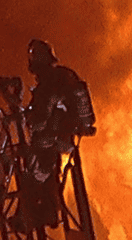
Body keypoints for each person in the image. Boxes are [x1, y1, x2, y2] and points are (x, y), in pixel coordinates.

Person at [23, 39, 93, 227]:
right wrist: (85, 126)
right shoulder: (65, 75)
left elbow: (40, 121)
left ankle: (37, 212)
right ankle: (49, 208)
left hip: (51, 139)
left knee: (32, 167)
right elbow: (81, 96)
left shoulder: (47, 86)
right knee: (49, 167)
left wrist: (26, 117)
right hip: (67, 140)